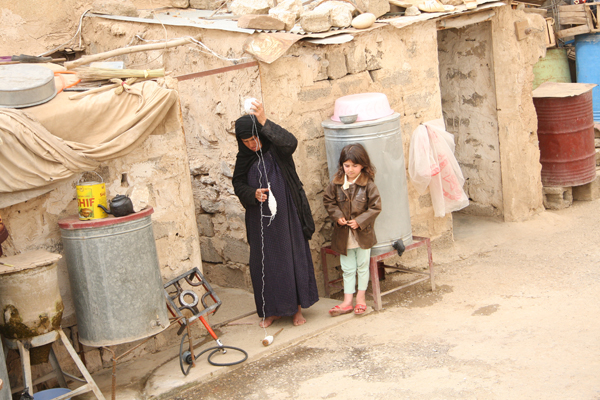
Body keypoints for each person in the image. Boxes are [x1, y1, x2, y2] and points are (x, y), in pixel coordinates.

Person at [232, 100, 319, 327]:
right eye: (246, 141)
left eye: (254, 138)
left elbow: (291, 143)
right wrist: (252, 194)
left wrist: (263, 121)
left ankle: (297, 310)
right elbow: (238, 183)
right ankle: (271, 311)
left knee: (291, 257)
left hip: (288, 214)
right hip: (261, 220)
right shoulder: (244, 158)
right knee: (266, 262)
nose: (252, 145)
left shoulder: (277, 147)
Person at [323, 143, 381, 316]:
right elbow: (328, 201)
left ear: (363, 165)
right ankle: (347, 301)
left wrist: (360, 221)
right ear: (342, 165)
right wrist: (337, 215)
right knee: (347, 267)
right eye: (347, 165)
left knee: (362, 266)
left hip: (362, 233)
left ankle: (361, 298)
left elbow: (375, 207)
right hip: (343, 234)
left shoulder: (368, 185)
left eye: (355, 166)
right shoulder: (335, 183)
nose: (350, 169)